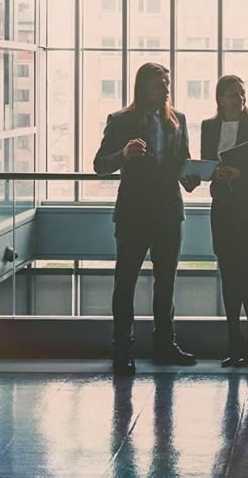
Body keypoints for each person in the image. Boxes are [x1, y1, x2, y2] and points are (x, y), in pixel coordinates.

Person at [94, 62, 201, 376]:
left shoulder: (177, 120)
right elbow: (100, 164)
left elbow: (182, 163)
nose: (166, 90)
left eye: (168, 84)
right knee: (124, 282)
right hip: (134, 214)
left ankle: (165, 345)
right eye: (160, 85)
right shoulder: (120, 121)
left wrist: (192, 178)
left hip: (169, 214)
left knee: (165, 283)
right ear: (144, 88)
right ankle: (122, 349)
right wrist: (123, 155)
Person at [200, 75, 248, 367]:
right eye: (234, 94)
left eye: (243, 94)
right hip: (222, 209)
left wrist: (242, 174)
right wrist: (213, 173)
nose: (240, 99)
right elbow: (207, 162)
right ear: (221, 98)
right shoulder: (209, 127)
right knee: (229, 277)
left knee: (244, 275)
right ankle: (234, 342)